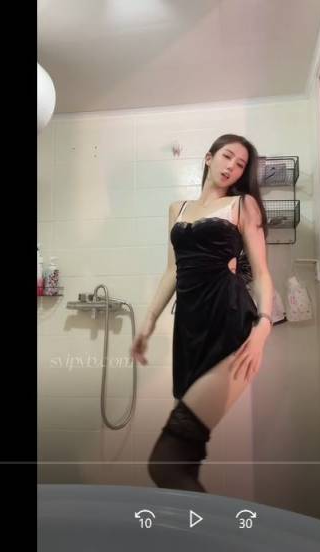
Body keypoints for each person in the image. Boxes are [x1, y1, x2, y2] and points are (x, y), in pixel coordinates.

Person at [130, 133, 274, 492]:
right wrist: (148, 322)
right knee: (184, 462)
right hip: (189, 328)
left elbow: (262, 274)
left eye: (240, 164)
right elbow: (173, 271)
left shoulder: (243, 205)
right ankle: (191, 524)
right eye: (227, 156)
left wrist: (263, 328)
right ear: (209, 158)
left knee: (166, 462)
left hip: (230, 324)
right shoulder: (176, 209)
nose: (232, 167)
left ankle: (210, 526)